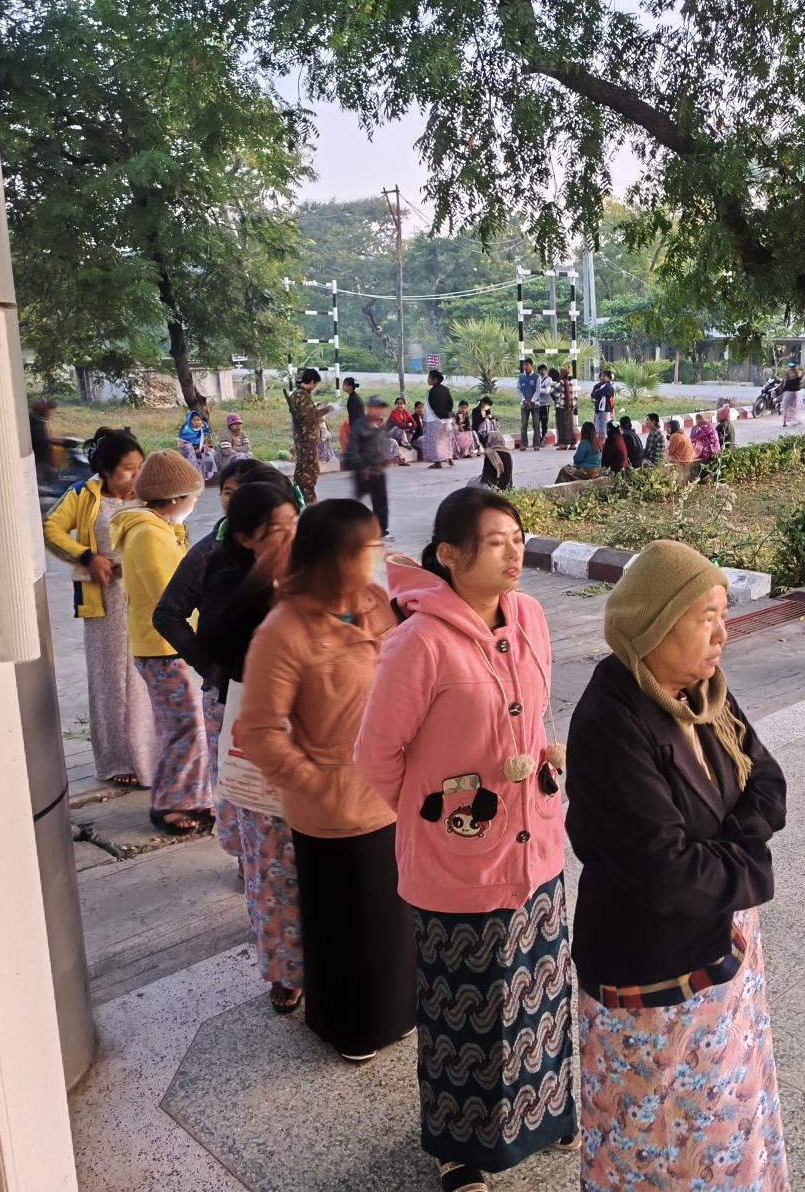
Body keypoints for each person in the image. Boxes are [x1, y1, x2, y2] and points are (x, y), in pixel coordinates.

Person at [355, 489, 575, 1192]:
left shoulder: (531, 616)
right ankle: (461, 1150)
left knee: (539, 993)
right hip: (459, 864)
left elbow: (533, 716)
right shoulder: (418, 642)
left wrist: (541, 762)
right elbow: (376, 756)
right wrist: (438, 814)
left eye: (518, 537)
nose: (515, 552)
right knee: (466, 1012)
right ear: (450, 555)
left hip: (536, 847)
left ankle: (545, 1112)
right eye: (496, 541)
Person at [567, 540, 790, 1191]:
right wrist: (748, 862)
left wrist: (732, 850)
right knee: (658, 1143)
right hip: (653, 975)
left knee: (726, 1120)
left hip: (719, 945)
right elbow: (665, 870)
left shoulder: (703, 692)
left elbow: (767, 782)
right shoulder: (612, 720)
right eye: (706, 618)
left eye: (725, 614)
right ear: (654, 624)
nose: (723, 634)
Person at [242, 498, 416, 1058]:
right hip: (333, 814)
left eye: (375, 543)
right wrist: (318, 783)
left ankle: (399, 1012)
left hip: (390, 793)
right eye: (362, 548)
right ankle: (352, 1029)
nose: (374, 555)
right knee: (348, 927)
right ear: (328, 556)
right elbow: (259, 730)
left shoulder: (375, 603)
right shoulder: (284, 630)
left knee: (392, 921)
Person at [195, 483, 303, 1014]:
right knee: (272, 860)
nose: (289, 538)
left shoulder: (313, 570)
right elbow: (214, 641)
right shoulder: (225, 575)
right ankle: (284, 969)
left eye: (293, 525)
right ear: (244, 538)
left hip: (317, 736)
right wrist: (265, 575)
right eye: (275, 532)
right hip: (260, 737)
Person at [154, 459, 294, 856]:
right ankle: (248, 865)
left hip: (288, 715)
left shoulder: (304, 559)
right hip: (234, 701)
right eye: (229, 494)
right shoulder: (214, 556)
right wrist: (212, 669)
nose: (233, 504)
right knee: (249, 802)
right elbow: (169, 615)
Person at [43, 428, 155, 790]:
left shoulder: (149, 495)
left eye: (140, 466)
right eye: (128, 468)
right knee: (111, 680)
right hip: (105, 601)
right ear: (106, 471)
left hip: (145, 597)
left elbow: (176, 532)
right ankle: (118, 759)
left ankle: (151, 755)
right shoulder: (83, 494)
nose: (136, 474)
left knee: (146, 676)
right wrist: (87, 557)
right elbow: (51, 529)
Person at [111, 450, 212, 833]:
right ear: (174, 499)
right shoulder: (148, 535)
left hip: (166, 646)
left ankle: (195, 797)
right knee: (185, 728)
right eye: (193, 498)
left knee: (186, 725)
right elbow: (168, 596)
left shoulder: (159, 529)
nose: (194, 505)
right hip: (163, 647)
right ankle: (172, 803)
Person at [344, 395, 394, 539]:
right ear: (369, 408)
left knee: (381, 502)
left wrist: (383, 460)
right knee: (358, 503)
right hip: (364, 472)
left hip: (378, 471)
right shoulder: (359, 427)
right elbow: (352, 453)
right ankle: (349, 528)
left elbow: (379, 446)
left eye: (380, 408)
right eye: (375, 408)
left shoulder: (380, 425)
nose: (378, 411)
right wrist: (361, 467)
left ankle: (381, 531)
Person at [288, 368, 325, 503]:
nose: (315, 387)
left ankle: (297, 498)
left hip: (301, 439)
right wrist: (328, 409)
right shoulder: (302, 396)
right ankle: (309, 500)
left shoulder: (296, 394)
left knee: (301, 470)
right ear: (312, 381)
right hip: (307, 440)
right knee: (310, 471)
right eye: (315, 384)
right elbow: (309, 418)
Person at [424, 369, 457, 469]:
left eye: (429, 378)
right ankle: (450, 458)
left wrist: (438, 415)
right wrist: (447, 414)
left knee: (434, 441)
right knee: (446, 439)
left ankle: (437, 462)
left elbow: (433, 406)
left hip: (435, 419)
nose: (428, 380)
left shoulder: (432, 391)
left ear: (435, 379)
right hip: (447, 419)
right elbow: (450, 403)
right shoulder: (446, 389)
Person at [178, 410, 216, 480]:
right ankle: (194, 474)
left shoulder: (204, 428)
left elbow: (208, 440)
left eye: (198, 420)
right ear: (190, 420)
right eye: (194, 420)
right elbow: (180, 445)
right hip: (189, 450)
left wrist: (206, 446)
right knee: (189, 448)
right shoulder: (185, 430)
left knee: (209, 452)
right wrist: (194, 448)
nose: (197, 422)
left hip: (201, 448)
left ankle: (208, 476)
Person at [518, 359, 542, 450]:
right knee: (524, 424)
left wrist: (532, 401)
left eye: (527, 365)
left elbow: (538, 390)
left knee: (536, 425)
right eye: (524, 365)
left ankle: (536, 444)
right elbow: (519, 389)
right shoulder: (521, 377)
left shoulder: (537, 377)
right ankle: (524, 444)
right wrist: (524, 400)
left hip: (535, 404)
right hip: (524, 404)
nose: (525, 367)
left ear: (531, 365)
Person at [553, 370, 577, 450]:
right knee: (570, 426)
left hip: (561, 407)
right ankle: (572, 444)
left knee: (562, 426)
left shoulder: (560, 383)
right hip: (569, 407)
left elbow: (552, 391)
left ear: (562, 375)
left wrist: (558, 397)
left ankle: (564, 444)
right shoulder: (570, 383)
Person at [590, 368, 616, 440]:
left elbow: (598, 394)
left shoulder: (608, 386)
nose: (602, 377)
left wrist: (597, 393)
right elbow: (593, 395)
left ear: (609, 378)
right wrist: (596, 394)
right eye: (601, 376)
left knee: (604, 428)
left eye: (604, 376)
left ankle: (604, 443)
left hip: (606, 410)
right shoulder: (597, 386)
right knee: (598, 426)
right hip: (598, 409)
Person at [780, 362, 804, 428]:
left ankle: (784, 422)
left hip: (786, 392)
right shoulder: (797, 373)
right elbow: (800, 383)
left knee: (785, 407)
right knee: (793, 407)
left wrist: (782, 390)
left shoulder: (787, 373)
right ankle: (794, 420)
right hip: (793, 393)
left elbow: (783, 382)